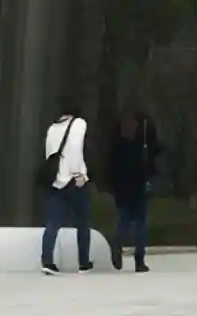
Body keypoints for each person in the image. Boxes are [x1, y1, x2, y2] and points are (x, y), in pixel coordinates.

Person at [40, 106, 94, 276]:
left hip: (57, 181)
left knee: (53, 223)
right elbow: (76, 149)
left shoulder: (52, 128)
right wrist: (78, 174)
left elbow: (49, 153)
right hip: (74, 180)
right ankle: (84, 262)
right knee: (83, 223)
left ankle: (47, 260)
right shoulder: (79, 124)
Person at [107, 108, 161, 273]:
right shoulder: (145, 131)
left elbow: (111, 161)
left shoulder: (117, 133)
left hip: (122, 183)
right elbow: (154, 152)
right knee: (140, 222)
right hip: (140, 181)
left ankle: (117, 243)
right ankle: (139, 258)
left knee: (124, 219)